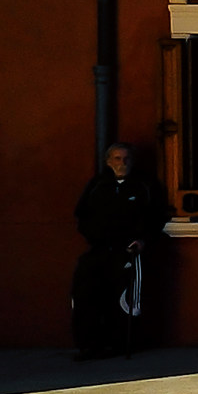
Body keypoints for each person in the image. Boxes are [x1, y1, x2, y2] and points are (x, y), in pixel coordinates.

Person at [72, 143, 170, 360]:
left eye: (125, 159)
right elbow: (82, 216)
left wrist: (143, 241)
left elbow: (157, 217)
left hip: (129, 250)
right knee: (86, 291)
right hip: (99, 249)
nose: (121, 163)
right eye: (117, 159)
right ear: (108, 162)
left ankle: (122, 343)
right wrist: (94, 237)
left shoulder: (144, 186)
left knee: (125, 297)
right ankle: (89, 344)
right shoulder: (98, 185)